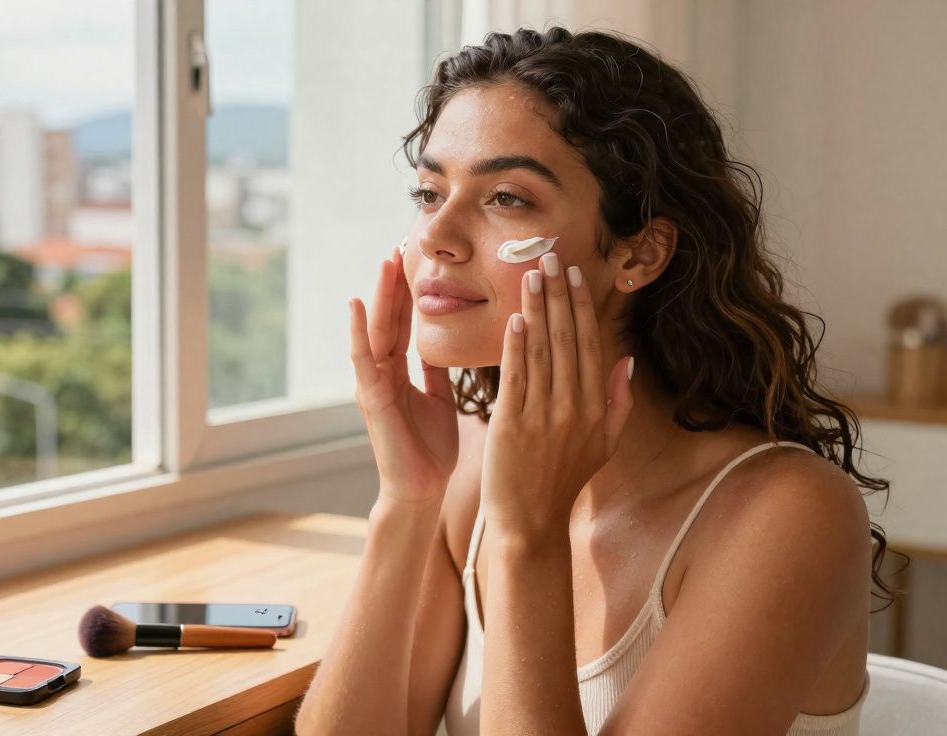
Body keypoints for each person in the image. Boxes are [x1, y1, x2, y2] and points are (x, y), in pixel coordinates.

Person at [294, 27, 897, 735]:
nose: (437, 235)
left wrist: (527, 535)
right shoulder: (467, 477)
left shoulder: (787, 517)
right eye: (429, 191)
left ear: (639, 252)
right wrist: (406, 499)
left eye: (507, 199)